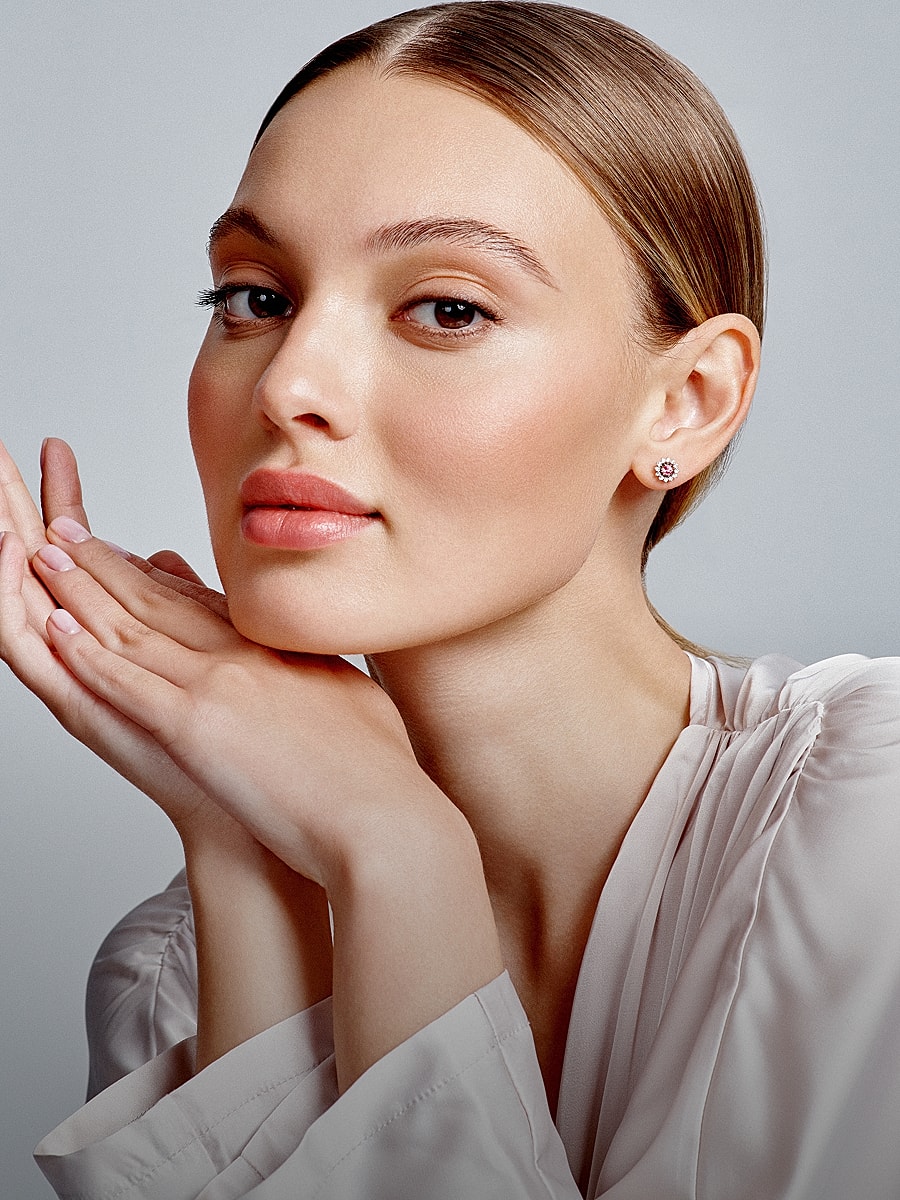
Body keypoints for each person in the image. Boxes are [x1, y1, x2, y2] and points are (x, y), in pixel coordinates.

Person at [1, 2, 898, 1196]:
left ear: (684, 403)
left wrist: (398, 852)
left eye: (447, 308)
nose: (290, 385)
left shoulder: (872, 835)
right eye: (255, 297)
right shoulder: (176, 973)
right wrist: (251, 868)